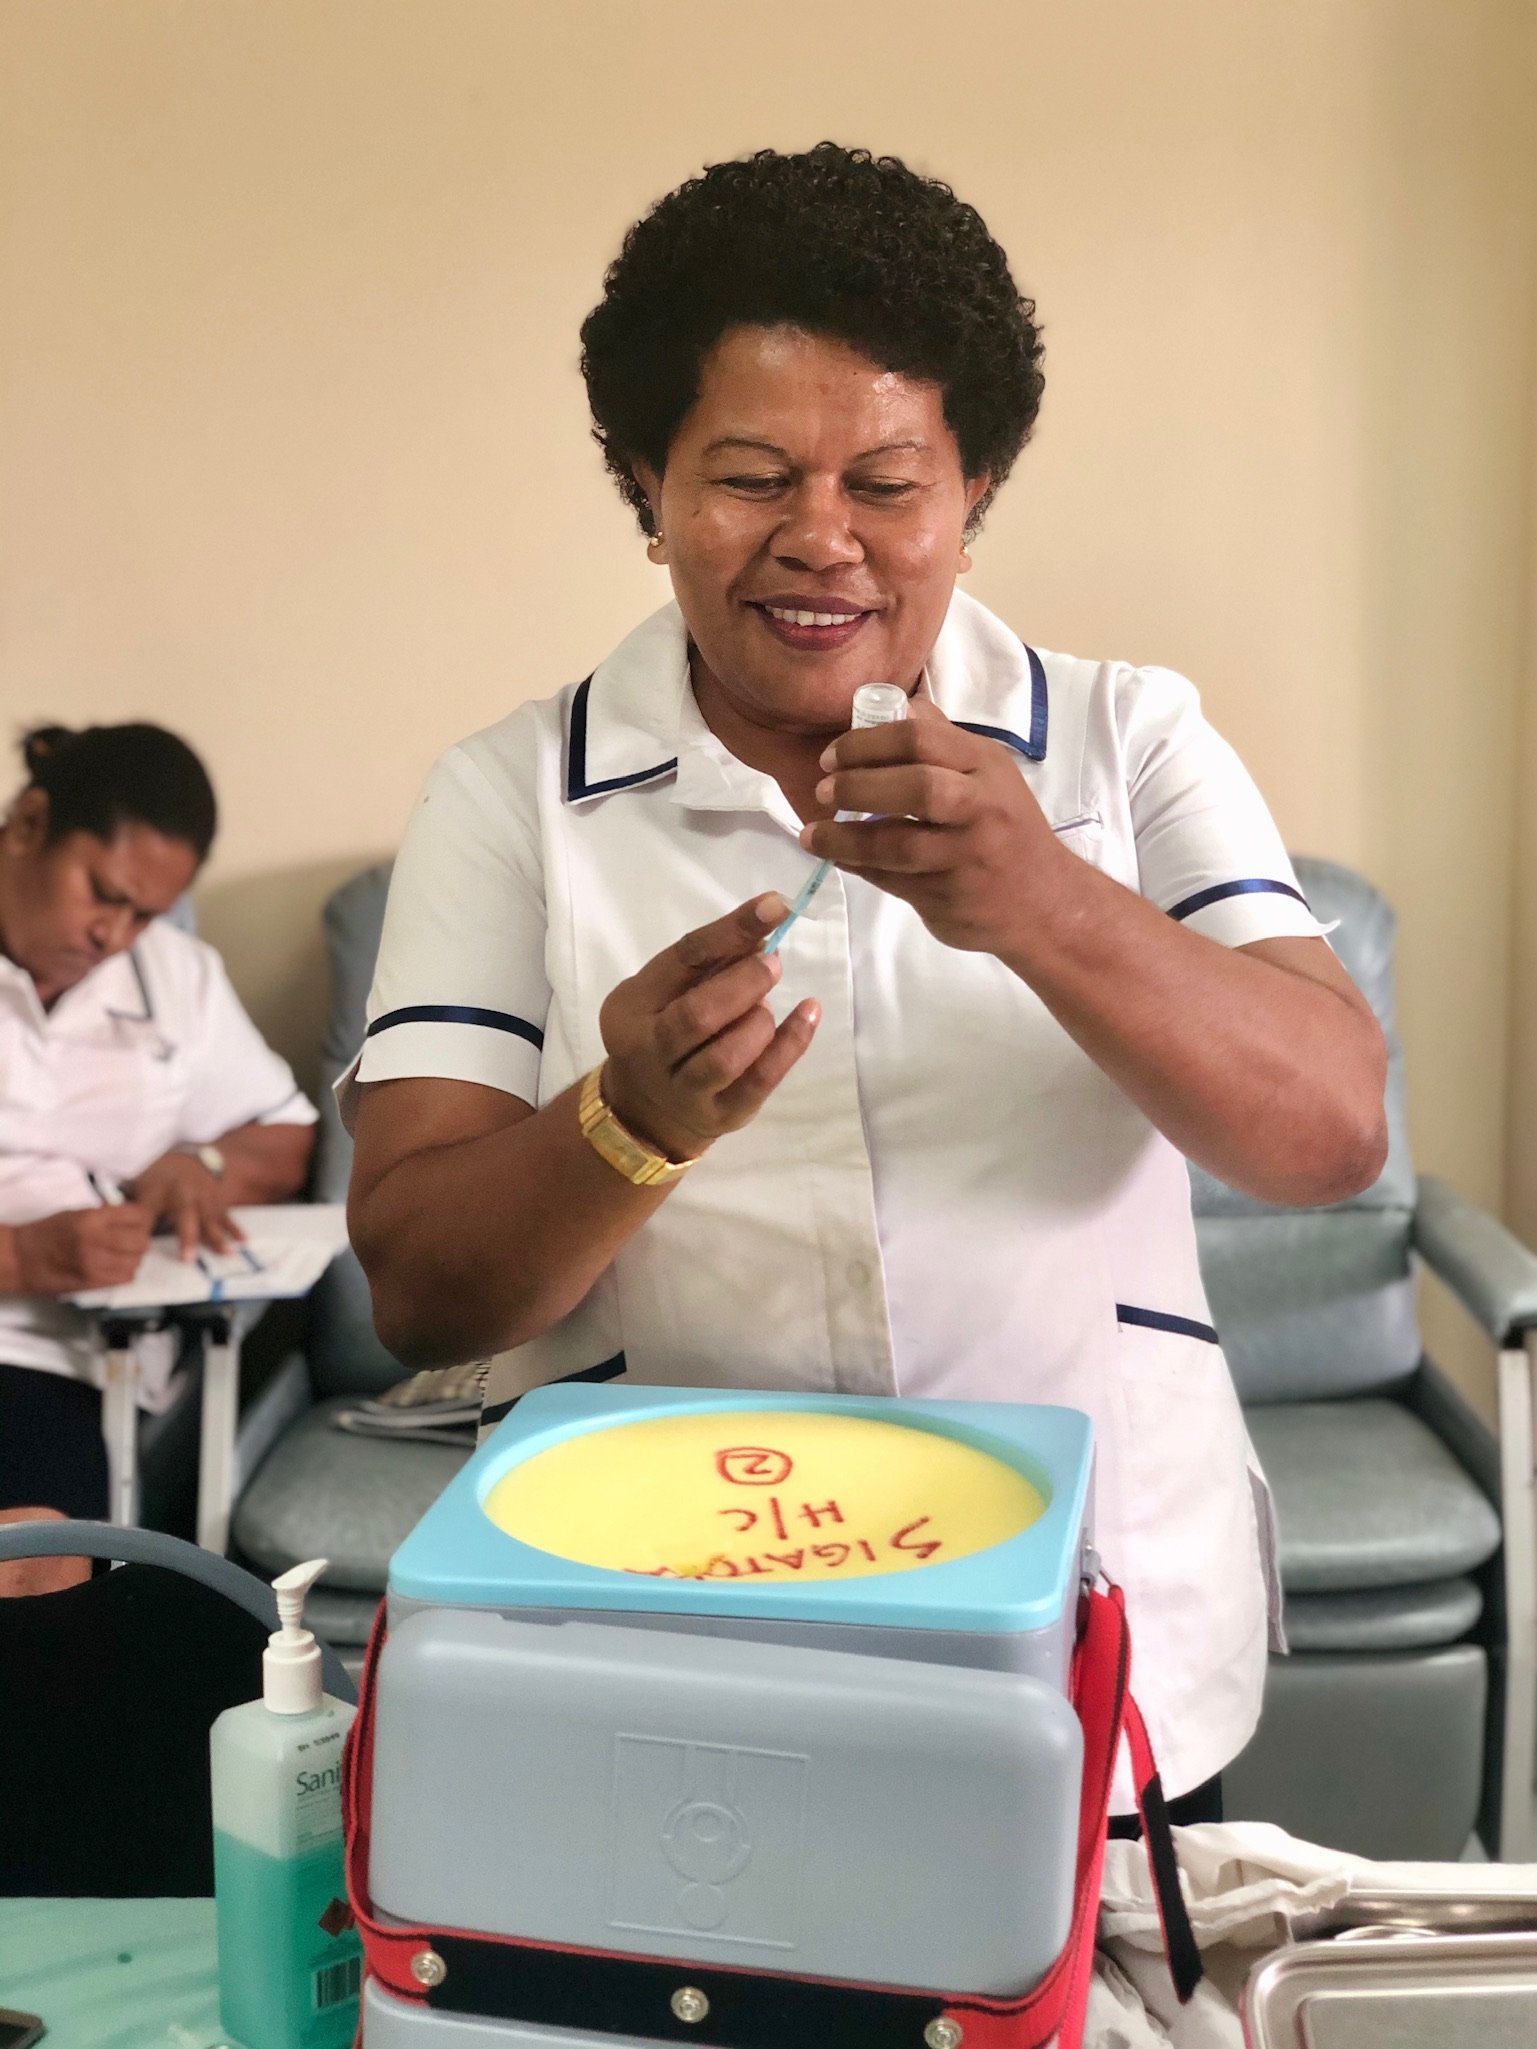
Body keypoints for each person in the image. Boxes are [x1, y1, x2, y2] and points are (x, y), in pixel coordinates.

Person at [344, 145, 1388, 1821]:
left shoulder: (1127, 741)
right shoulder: (510, 796)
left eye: (887, 484)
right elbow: (421, 1289)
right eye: (750, 477)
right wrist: (627, 1123)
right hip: (666, 1640)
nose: (819, 541)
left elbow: (1330, 1133)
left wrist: (1046, 899)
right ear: (647, 486)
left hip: (1082, 1629)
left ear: (976, 492)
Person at [0, 723, 316, 1578]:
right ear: (29, 825)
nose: (114, 936)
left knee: (37, 1566)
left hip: (55, 1359)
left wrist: (197, 1165)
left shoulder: (176, 977)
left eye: (143, 914)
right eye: (103, 895)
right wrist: (20, 1255)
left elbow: (284, 1139)